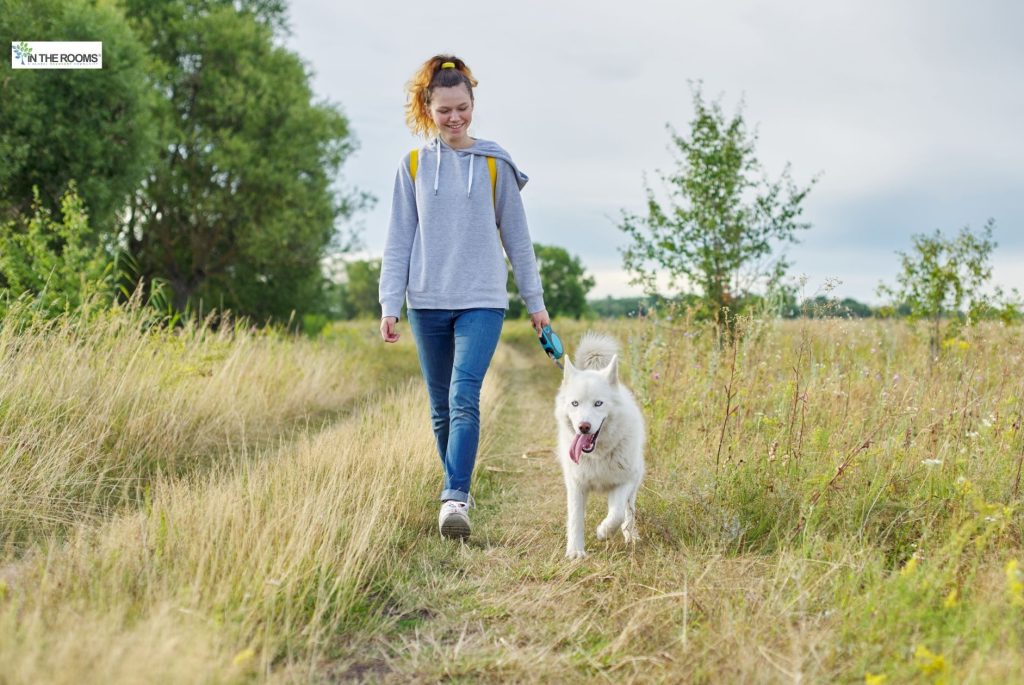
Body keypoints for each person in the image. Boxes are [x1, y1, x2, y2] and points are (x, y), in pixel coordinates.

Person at [378, 54, 550, 540]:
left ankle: (454, 497)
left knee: (462, 395)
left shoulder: (495, 164)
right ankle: (459, 491)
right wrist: (390, 303)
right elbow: (398, 240)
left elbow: (518, 241)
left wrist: (534, 304)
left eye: (462, 108)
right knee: (439, 408)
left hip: (482, 300)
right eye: (444, 110)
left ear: (473, 103)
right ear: (427, 109)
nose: (455, 119)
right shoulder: (412, 166)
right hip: (427, 302)